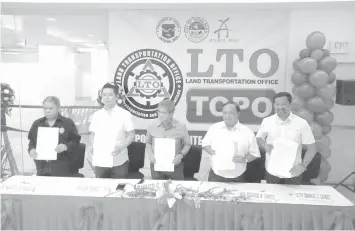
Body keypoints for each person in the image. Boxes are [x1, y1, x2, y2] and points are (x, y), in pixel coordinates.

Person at [256, 92, 317, 185]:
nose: (280, 107)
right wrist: (264, 146)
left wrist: (303, 165)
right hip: (272, 172)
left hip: (293, 173)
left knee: (291, 198)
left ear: (290, 104)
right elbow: (259, 138)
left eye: (283, 104)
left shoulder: (301, 123)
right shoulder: (267, 121)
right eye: (277, 104)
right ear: (273, 105)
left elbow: (312, 148)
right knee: (272, 198)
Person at [202, 102, 260, 183]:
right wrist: (210, 150)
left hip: (237, 176)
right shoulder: (214, 128)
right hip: (216, 175)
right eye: (225, 113)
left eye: (231, 113)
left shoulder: (247, 132)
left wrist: (244, 159)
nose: (227, 116)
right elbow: (205, 143)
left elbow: (255, 154)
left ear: (238, 114)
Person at [89, 83, 135, 178]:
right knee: (101, 187)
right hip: (100, 160)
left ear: (116, 96)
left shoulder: (125, 114)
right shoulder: (97, 115)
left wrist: (121, 146)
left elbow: (131, 135)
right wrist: (93, 146)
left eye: (110, 95)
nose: (107, 98)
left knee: (118, 189)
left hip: (119, 159)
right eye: (104, 95)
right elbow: (92, 134)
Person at [28, 96, 81, 177]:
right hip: (42, 167)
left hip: (63, 167)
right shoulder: (37, 124)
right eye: (45, 108)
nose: (47, 111)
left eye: (50, 108)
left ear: (58, 108)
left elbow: (76, 141)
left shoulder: (67, 123)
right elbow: (32, 142)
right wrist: (31, 149)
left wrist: (66, 146)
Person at [145, 99, 191, 180]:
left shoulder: (181, 127)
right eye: (159, 112)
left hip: (175, 166)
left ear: (171, 113)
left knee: (176, 190)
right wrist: (150, 154)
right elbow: (148, 142)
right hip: (156, 166)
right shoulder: (152, 126)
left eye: (164, 113)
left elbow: (187, 144)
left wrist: (181, 155)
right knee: (158, 190)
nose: (160, 115)